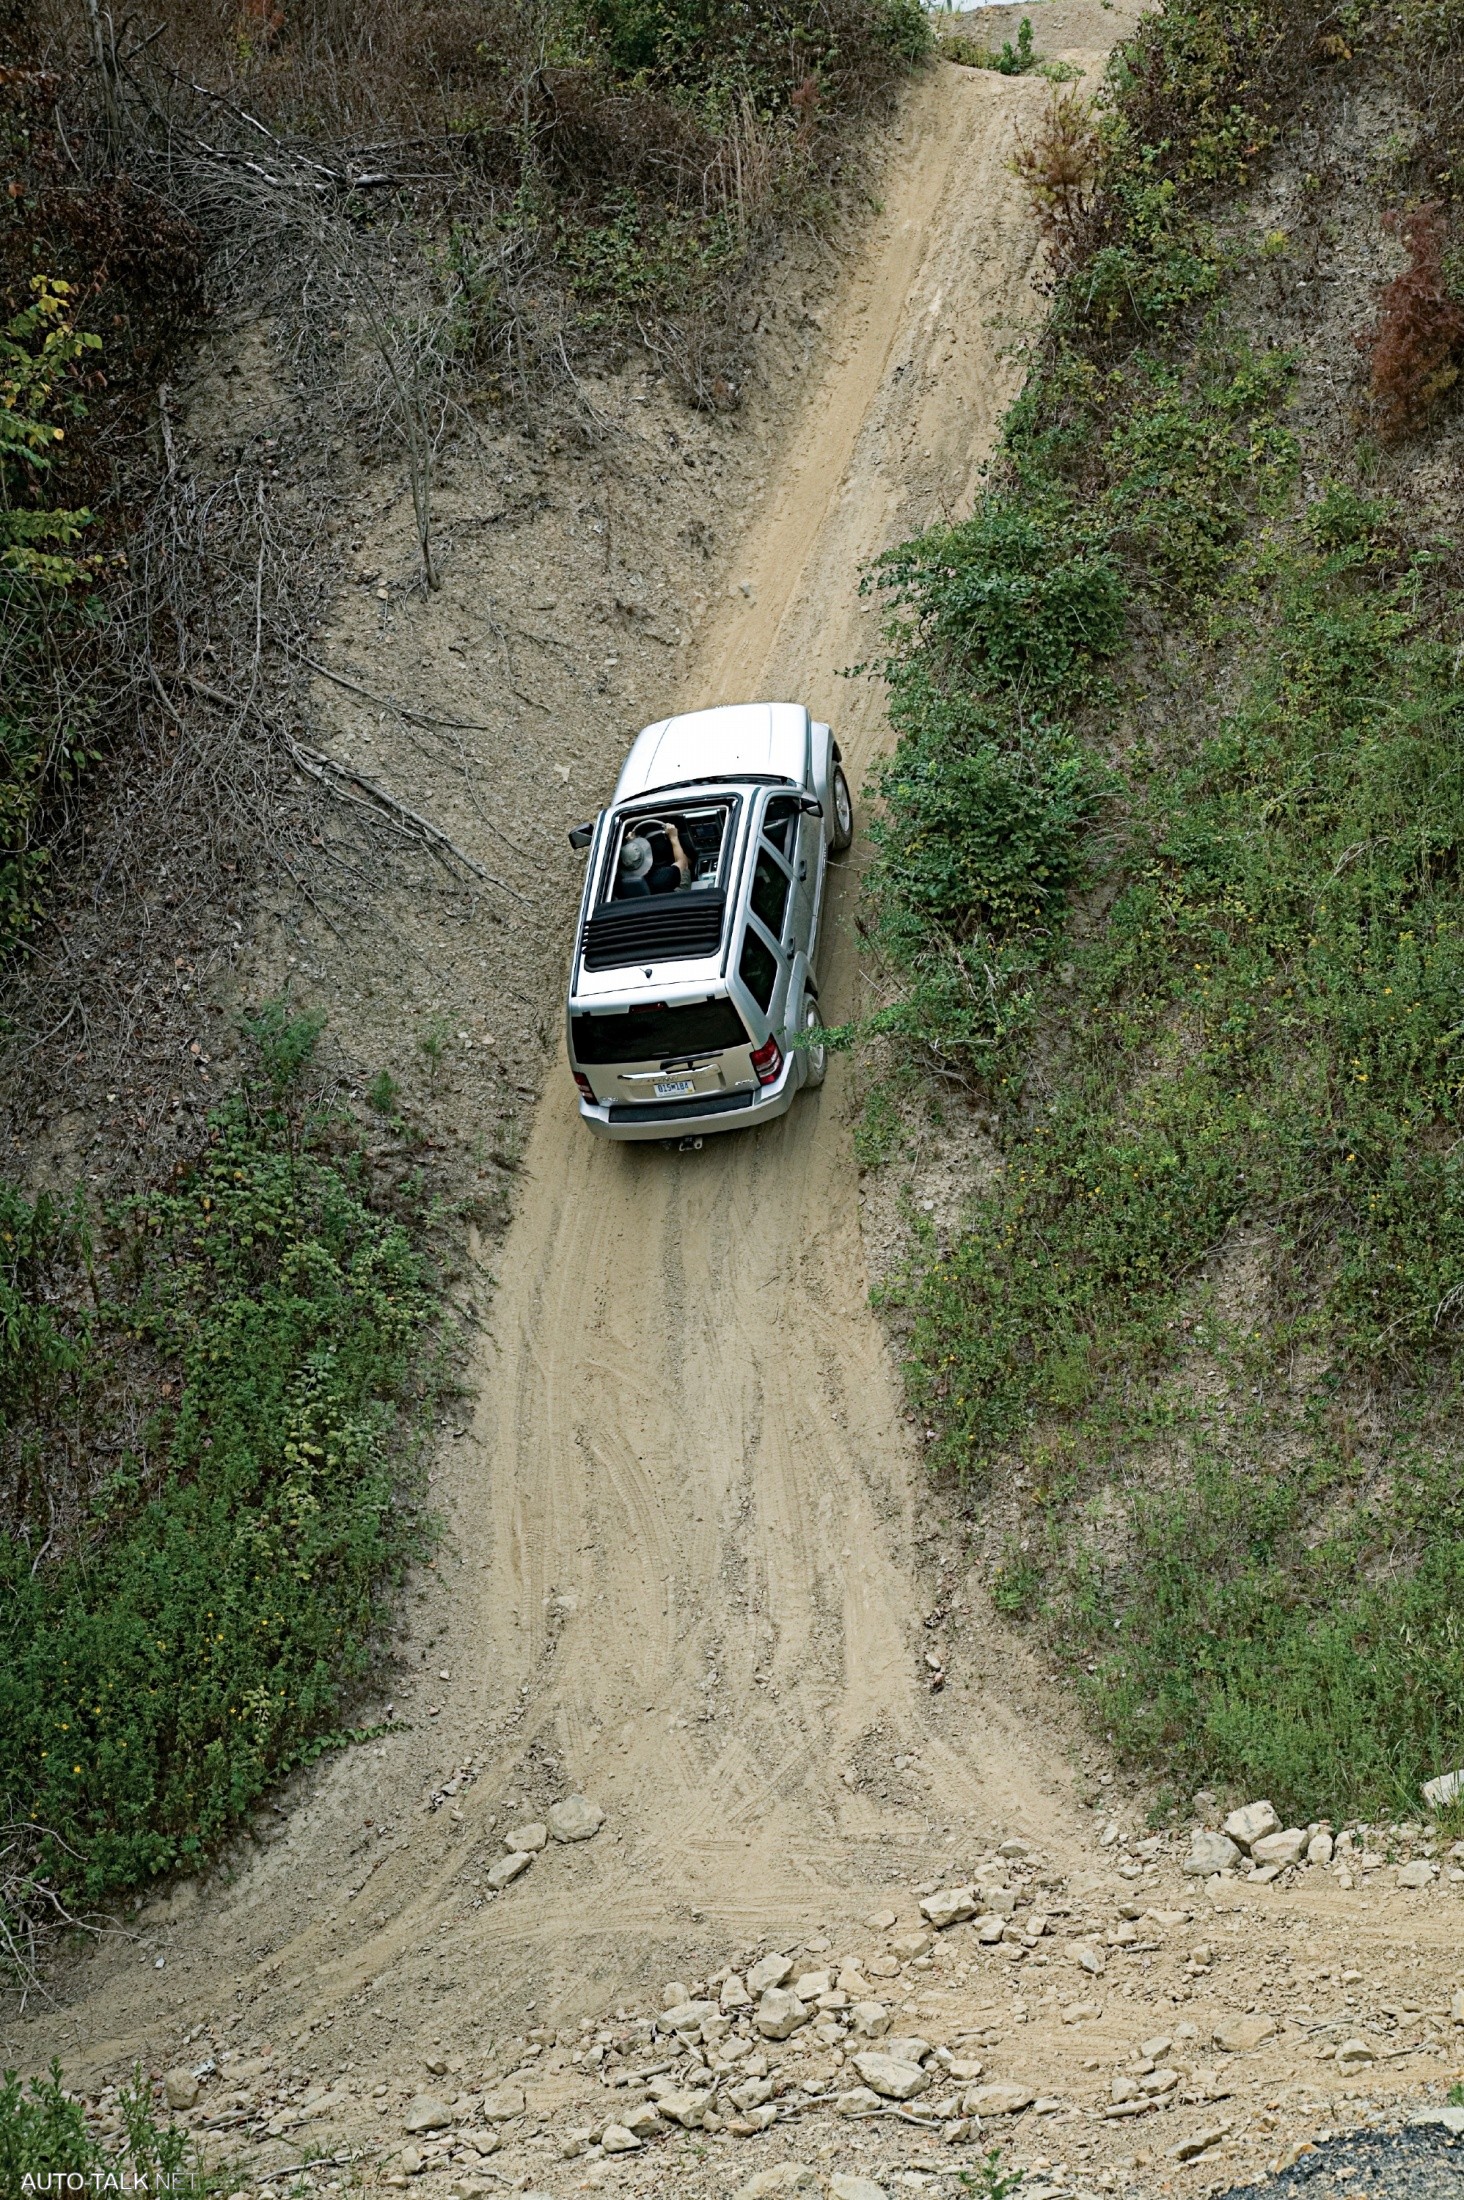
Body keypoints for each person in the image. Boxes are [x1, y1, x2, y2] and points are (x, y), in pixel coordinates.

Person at [617, 820, 689, 898]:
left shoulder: (621, 885)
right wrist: (673, 837)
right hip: (676, 898)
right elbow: (682, 862)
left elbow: (629, 856)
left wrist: (632, 844)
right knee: (685, 866)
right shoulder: (664, 875)